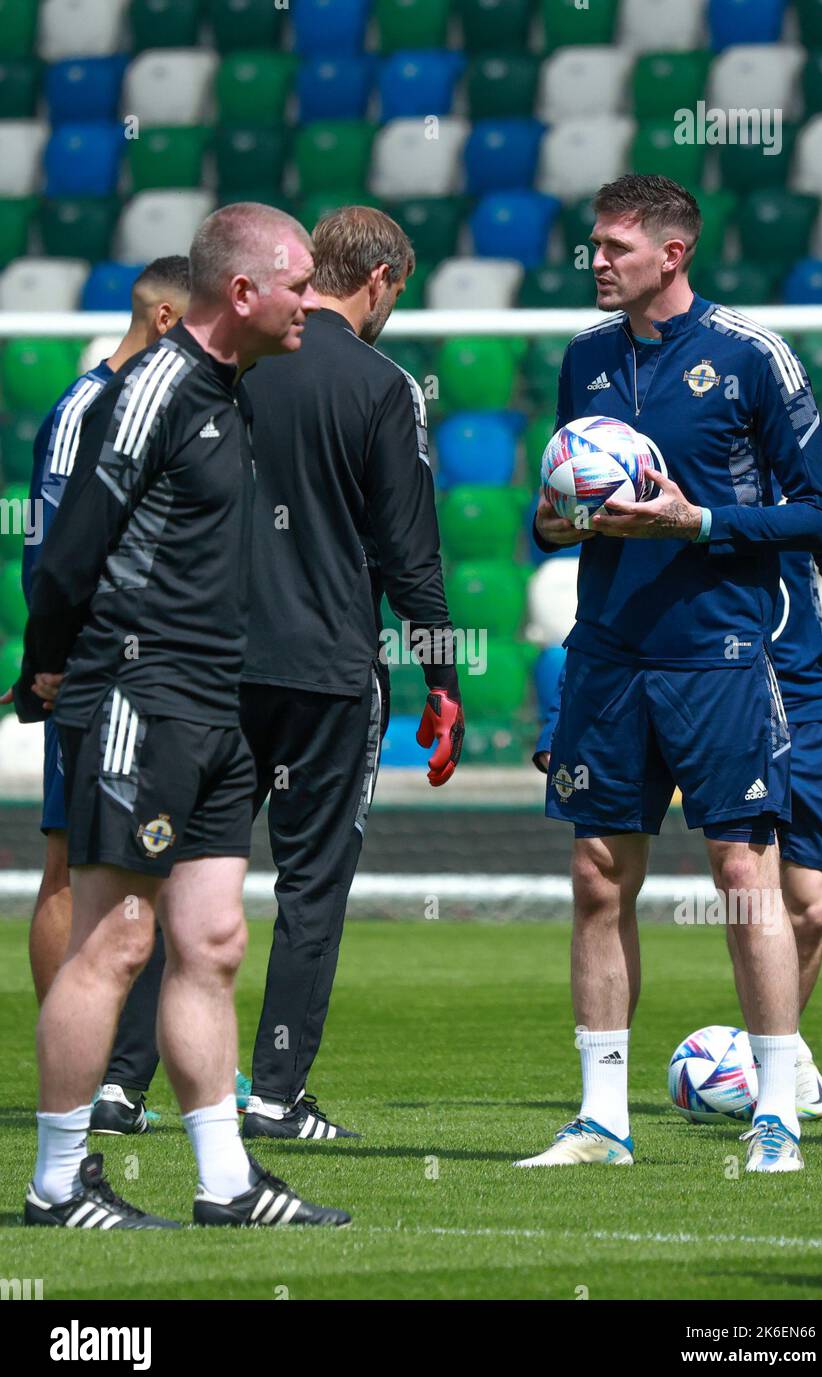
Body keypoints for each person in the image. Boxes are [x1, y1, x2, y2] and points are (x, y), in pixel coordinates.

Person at [4, 203, 348, 1230]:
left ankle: (225, 1180)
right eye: (296, 286)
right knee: (113, 942)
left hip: (214, 705)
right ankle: (57, 1183)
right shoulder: (148, 391)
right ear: (242, 293)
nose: (309, 305)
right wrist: (47, 671)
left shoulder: (232, 391)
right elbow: (68, 555)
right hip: (141, 700)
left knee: (209, 942)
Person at [94, 205, 464, 1143]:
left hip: (210, 665)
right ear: (378, 280)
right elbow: (411, 555)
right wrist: (442, 676)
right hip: (329, 671)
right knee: (310, 888)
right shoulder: (383, 385)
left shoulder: (231, 368)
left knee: (170, 871)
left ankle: (121, 1085)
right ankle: (275, 1093)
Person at [518, 174, 822, 1176]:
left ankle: (775, 1116)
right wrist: (563, 518)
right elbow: (549, 512)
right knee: (593, 877)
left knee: (742, 877)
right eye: (593, 246)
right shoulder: (583, 358)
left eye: (613, 246)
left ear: (672, 253)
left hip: (718, 652)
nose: (596, 262)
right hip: (609, 651)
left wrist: (694, 521)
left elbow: (818, 512)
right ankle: (599, 1120)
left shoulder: (749, 357)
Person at [534, 518, 822, 1121]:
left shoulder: (804, 494)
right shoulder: (681, 489)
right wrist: (559, 719)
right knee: (737, 877)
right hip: (707, 684)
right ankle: (767, 1078)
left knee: (812, 905)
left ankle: (779, 1055)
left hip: (800, 699)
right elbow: (617, 608)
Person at [22, 257, 190, 1005]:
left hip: (160, 668)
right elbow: (55, 548)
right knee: (69, 861)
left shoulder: (162, 410)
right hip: (89, 670)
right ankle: (73, 1057)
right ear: (164, 321)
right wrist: (53, 659)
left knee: (163, 861)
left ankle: (137, 1054)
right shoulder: (85, 408)